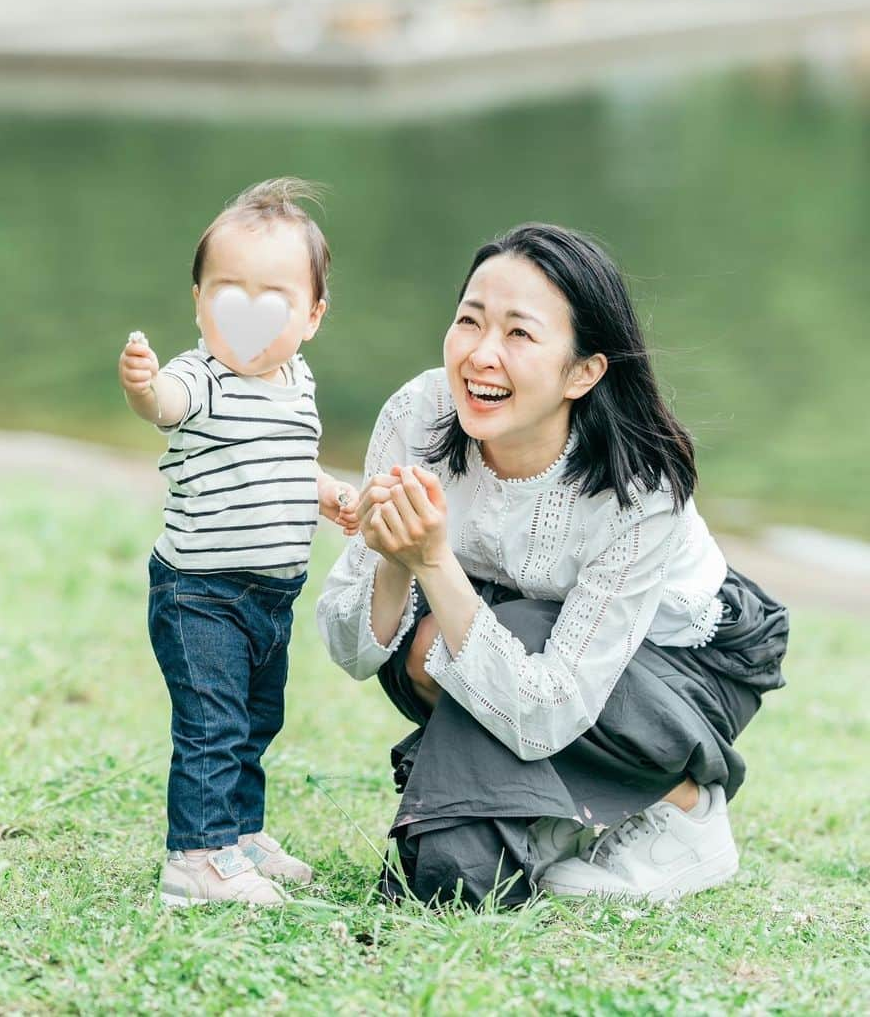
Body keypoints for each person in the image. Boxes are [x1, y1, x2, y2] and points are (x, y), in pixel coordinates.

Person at [316, 223, 788, 910]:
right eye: (469, 321)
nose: (481, 354)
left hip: (686, 663)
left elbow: (551, 708)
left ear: (583, 370)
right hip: (525, 623)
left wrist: (435, 564)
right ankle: (564, 812)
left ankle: (685, 807)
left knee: (491, 638)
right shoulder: (419, 415)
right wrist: (394, 561)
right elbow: (354, 652)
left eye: (519, 334)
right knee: (423, 653)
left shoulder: (637, 492)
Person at [119, 178, 359, 907]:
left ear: (313, 315)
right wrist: (141, 386)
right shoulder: (203, 377)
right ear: (199, 301)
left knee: (257, 719)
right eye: (227, 292)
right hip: (203, 593)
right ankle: (195, 858)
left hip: (271, 594)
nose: (246, 316)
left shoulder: (297, 383)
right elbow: (166, 405)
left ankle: (238, 832)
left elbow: (287, 459)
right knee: (213, 723)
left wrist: (328, 494)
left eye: (274, 297)